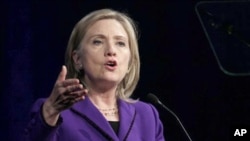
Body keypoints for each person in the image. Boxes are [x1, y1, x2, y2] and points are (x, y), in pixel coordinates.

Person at [23, 8, 165, 141]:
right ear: (77, 59)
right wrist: (50, 111)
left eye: (120, 43)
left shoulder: (147, 115)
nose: (111, 50)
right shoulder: (54, 112)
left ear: (129, 62)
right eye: (97, 42)